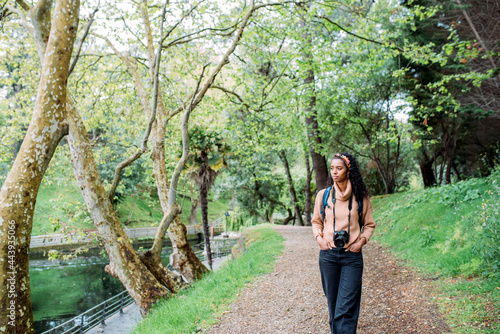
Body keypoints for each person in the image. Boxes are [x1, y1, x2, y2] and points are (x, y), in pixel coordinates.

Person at [312, 153, 376, 334]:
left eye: (339, 168)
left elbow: (369, 225)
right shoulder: (323, 196)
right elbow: (316, 222)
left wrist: (361, 241)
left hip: (352, 257)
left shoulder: (360, 197)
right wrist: (320, 239)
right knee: (333, 304)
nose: (334, 172)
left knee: (346, 306)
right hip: (328, 256)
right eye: (332, 168)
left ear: (348, 170)